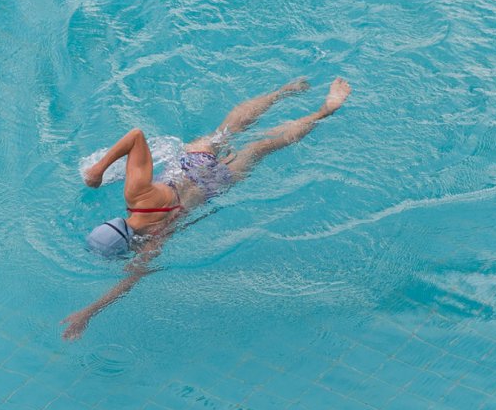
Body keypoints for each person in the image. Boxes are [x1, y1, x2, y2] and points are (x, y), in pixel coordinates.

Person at [61, 77, 351, 340]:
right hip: (191, 164)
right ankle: (283, 92)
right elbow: (136, 135)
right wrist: (97, 171)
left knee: (262, 147)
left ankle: (324, 111)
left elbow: (128, 283)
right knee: (226, 131)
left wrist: (87, 313)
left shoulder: (153, 241)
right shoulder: (137, 194)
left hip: (215, 184)